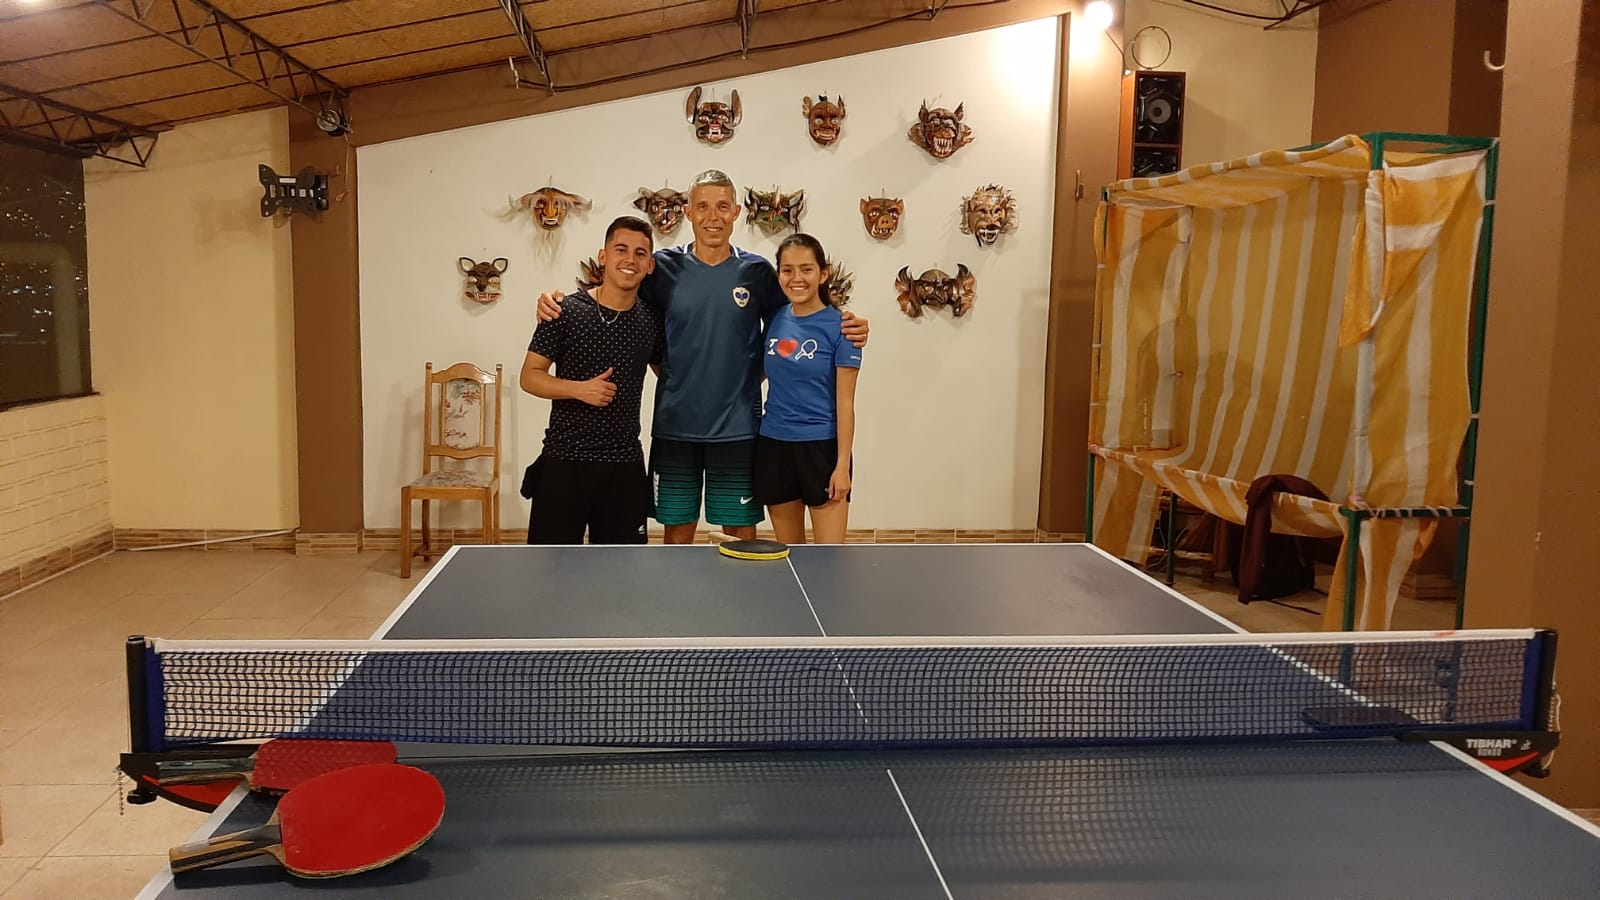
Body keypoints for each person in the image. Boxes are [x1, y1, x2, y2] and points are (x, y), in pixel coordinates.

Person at [536, 170, 869, 544]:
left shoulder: (757, 272)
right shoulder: (662, 268)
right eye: (704, 207)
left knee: (740, 537)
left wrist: (847, 323)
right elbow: (619, 292)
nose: (713, 216)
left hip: (739, 430)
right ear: (688, 211)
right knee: (678, 536)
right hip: (675, 428)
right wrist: (556, 300)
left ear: (736, 212)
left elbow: (796, 318)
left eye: (723, 207)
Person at [518, 216, 660, 544]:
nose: (630, 259)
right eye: (621, 249)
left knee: (622, 569)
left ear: (650, 265)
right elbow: (530, 376)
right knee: (550, 567)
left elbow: (670, 375)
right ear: (603, 256)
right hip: (564, 461)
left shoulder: (652, 321)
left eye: (640, 253)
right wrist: (579, 390)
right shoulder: (564, 310)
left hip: (624, 465)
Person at [755, 234, 860, 544]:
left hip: (821, 449)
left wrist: (842, 466)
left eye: (806, 269)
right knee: (790, 556)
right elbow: (760, 373)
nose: (796, 278)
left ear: (823, 274)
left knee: (829, 560)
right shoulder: (775, 319)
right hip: (774, 445)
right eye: (787, 270)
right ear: (779, 275)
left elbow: (845, 403)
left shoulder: (843, 328)